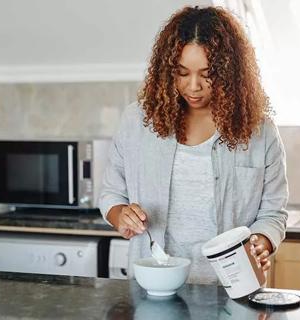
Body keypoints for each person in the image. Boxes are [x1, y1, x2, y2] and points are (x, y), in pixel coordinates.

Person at [99, 6, 288, 285]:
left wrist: (261, 241)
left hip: (234, 288)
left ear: (229, 72)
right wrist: (121, 216)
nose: (194, 86)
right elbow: (111, 195)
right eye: (182, 73)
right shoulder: (136, 122)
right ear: (167, 71)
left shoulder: (260, 132)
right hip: (156, 286)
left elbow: (273, 213)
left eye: (207, 73)